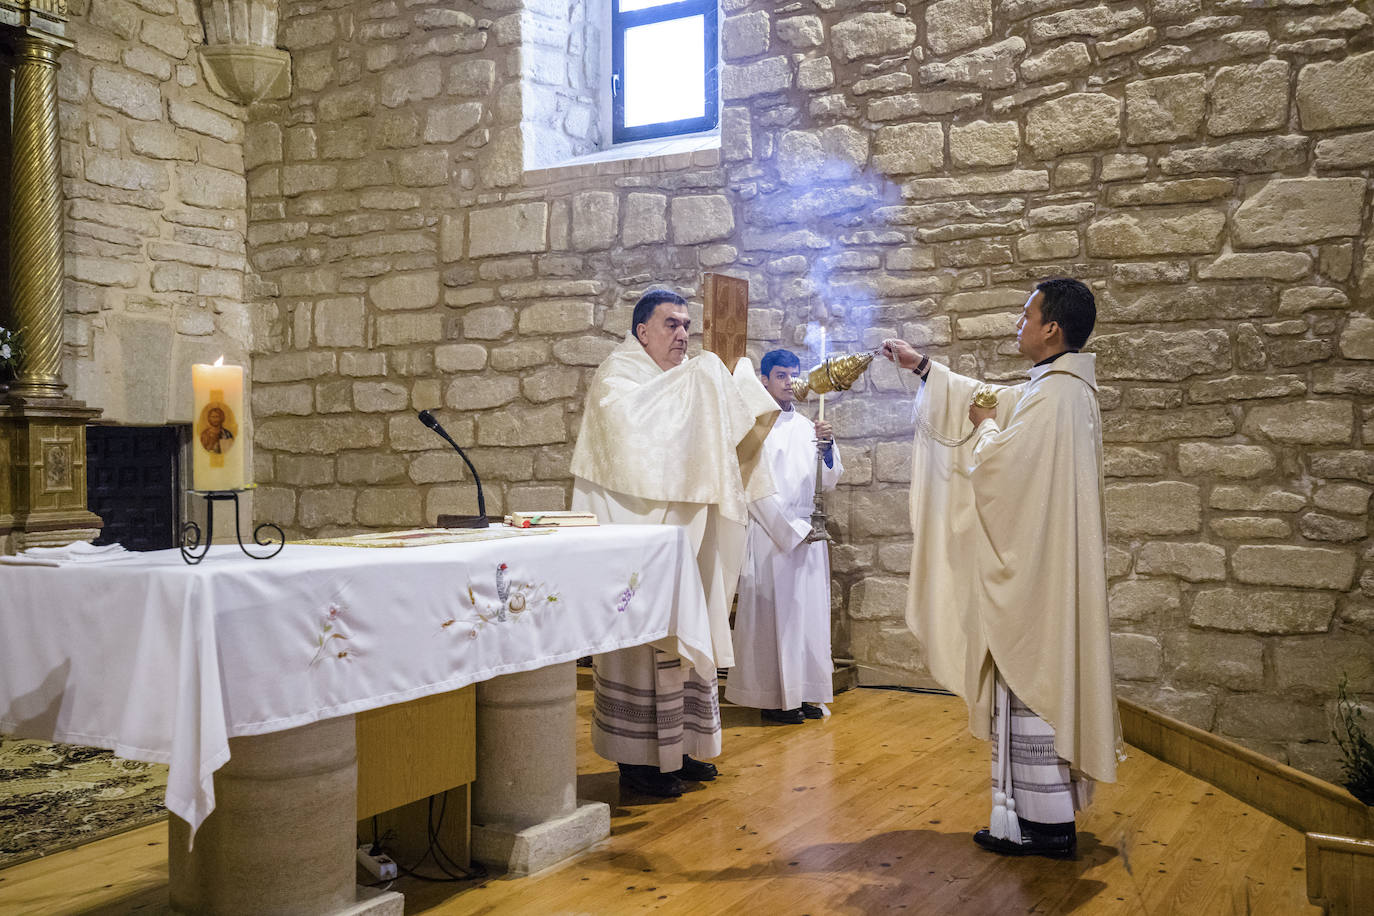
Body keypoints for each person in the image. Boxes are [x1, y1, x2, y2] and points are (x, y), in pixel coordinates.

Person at [881, 277, 1121, 859]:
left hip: (1035, 582)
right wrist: (925, 369)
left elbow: (1000, 468)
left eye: (1025, 314)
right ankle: (1038, 819)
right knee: (1034, 676)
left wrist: (984, 428)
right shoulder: (1057, 391)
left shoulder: (1057, 397)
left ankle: (1045, 826)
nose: (1018, 324)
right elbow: (996, 399)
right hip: (1045, 573)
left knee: (1033, 675)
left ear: (1052, 328)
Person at [570, 288, 779, 798]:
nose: (683, 335)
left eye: (687, 325)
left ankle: (682, 748)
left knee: (688, 634)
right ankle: (639, 763)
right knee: (645, 646)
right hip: (633, 537)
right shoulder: (616, 378)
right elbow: (639, 442)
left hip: (683, 535)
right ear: (641, 332)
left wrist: (727, 382)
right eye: (671, 325)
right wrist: (707, 377)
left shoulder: (679, 381)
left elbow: (712, 435)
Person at [725, 349, 842, 725]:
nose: (790, 381)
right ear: (763, 380)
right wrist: (786, 530)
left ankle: (805, 692)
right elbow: (752, 486)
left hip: (808, 533)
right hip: (772, 534)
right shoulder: (755, 429)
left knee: (807, 618)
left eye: (794, 374)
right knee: (775, 620)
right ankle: (774, 698)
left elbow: (831, 479)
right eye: (780, 375)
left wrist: (827, 450)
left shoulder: (810, 426)